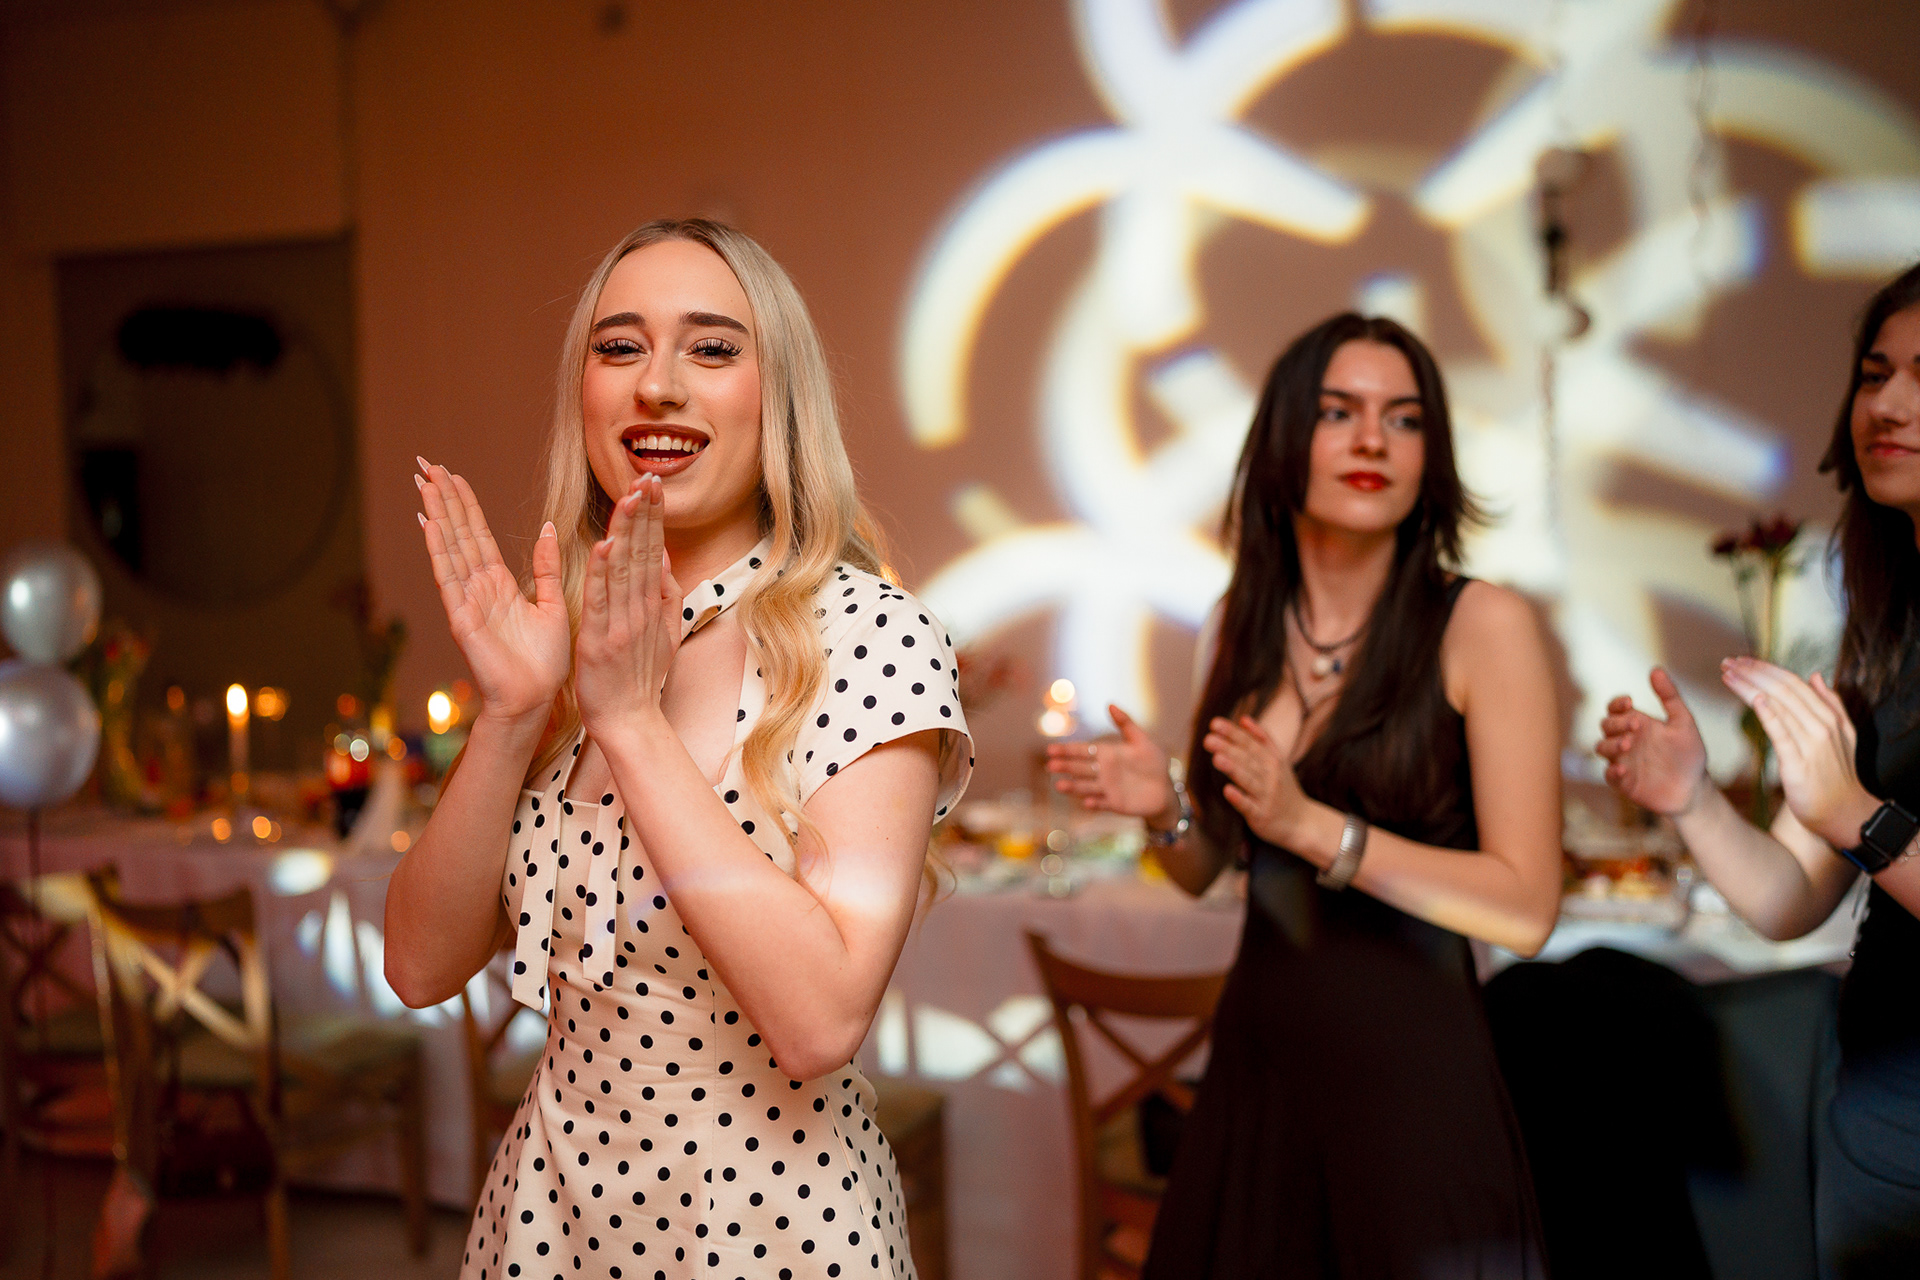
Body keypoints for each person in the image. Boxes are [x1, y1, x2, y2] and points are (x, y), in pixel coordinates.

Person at [382, 218, 972, 1280]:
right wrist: (514, 712)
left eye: (711, 347)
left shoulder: (869, 635)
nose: (657, 385)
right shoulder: (569, 636)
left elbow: (820, 1019)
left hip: (768, 1234)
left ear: (776, 396)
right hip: (548, 1225)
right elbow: (419, 967)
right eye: (619, 347)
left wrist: (631, 722)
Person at [1048, 313, 1562, 1277]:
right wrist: (1164, 808)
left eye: (1404, 420)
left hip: (1414, 1085)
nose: (1373, 441)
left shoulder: (1481, 625)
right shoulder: (1234, 625)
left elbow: (1527, 908)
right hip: (1261, 1072)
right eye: (1339, 413)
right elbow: (1208, 871)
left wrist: (1316, 827)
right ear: (1287, 435)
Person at [1597, 262, 1920, 1279]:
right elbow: (1786, 899)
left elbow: (1857, 828)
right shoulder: (1892, 633)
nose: (1888, 405)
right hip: (1878, 1136)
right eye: (1875, 373)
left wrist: (1861, 817)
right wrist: (1690, 798)